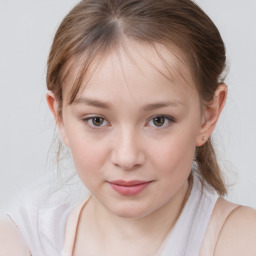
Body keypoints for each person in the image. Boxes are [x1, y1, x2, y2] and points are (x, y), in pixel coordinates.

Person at [1, 0, 256, 255]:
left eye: (159, 120)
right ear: (59, 116)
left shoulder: (243, 241)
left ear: (207, 117)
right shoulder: (23, 242)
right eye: (97, 120)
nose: (127, 157)